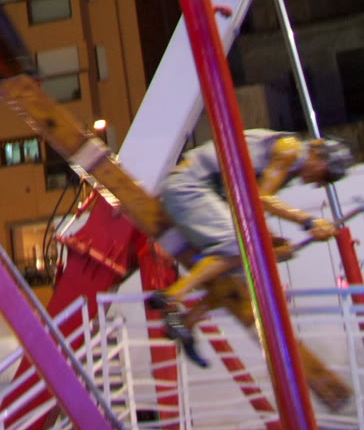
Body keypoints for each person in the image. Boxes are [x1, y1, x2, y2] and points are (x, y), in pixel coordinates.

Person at [148, 132, 352, 366]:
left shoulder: (289, 165)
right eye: (324, 175)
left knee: (241, 273)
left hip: (204, 193)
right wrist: (309, 221)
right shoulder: (290, 149)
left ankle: (186, 322)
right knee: (239, 246)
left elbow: (250, 208)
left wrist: (271, 243)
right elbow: (261, 198)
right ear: (319, 155)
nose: (318, 183)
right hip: (190, 187)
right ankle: (171, 296)